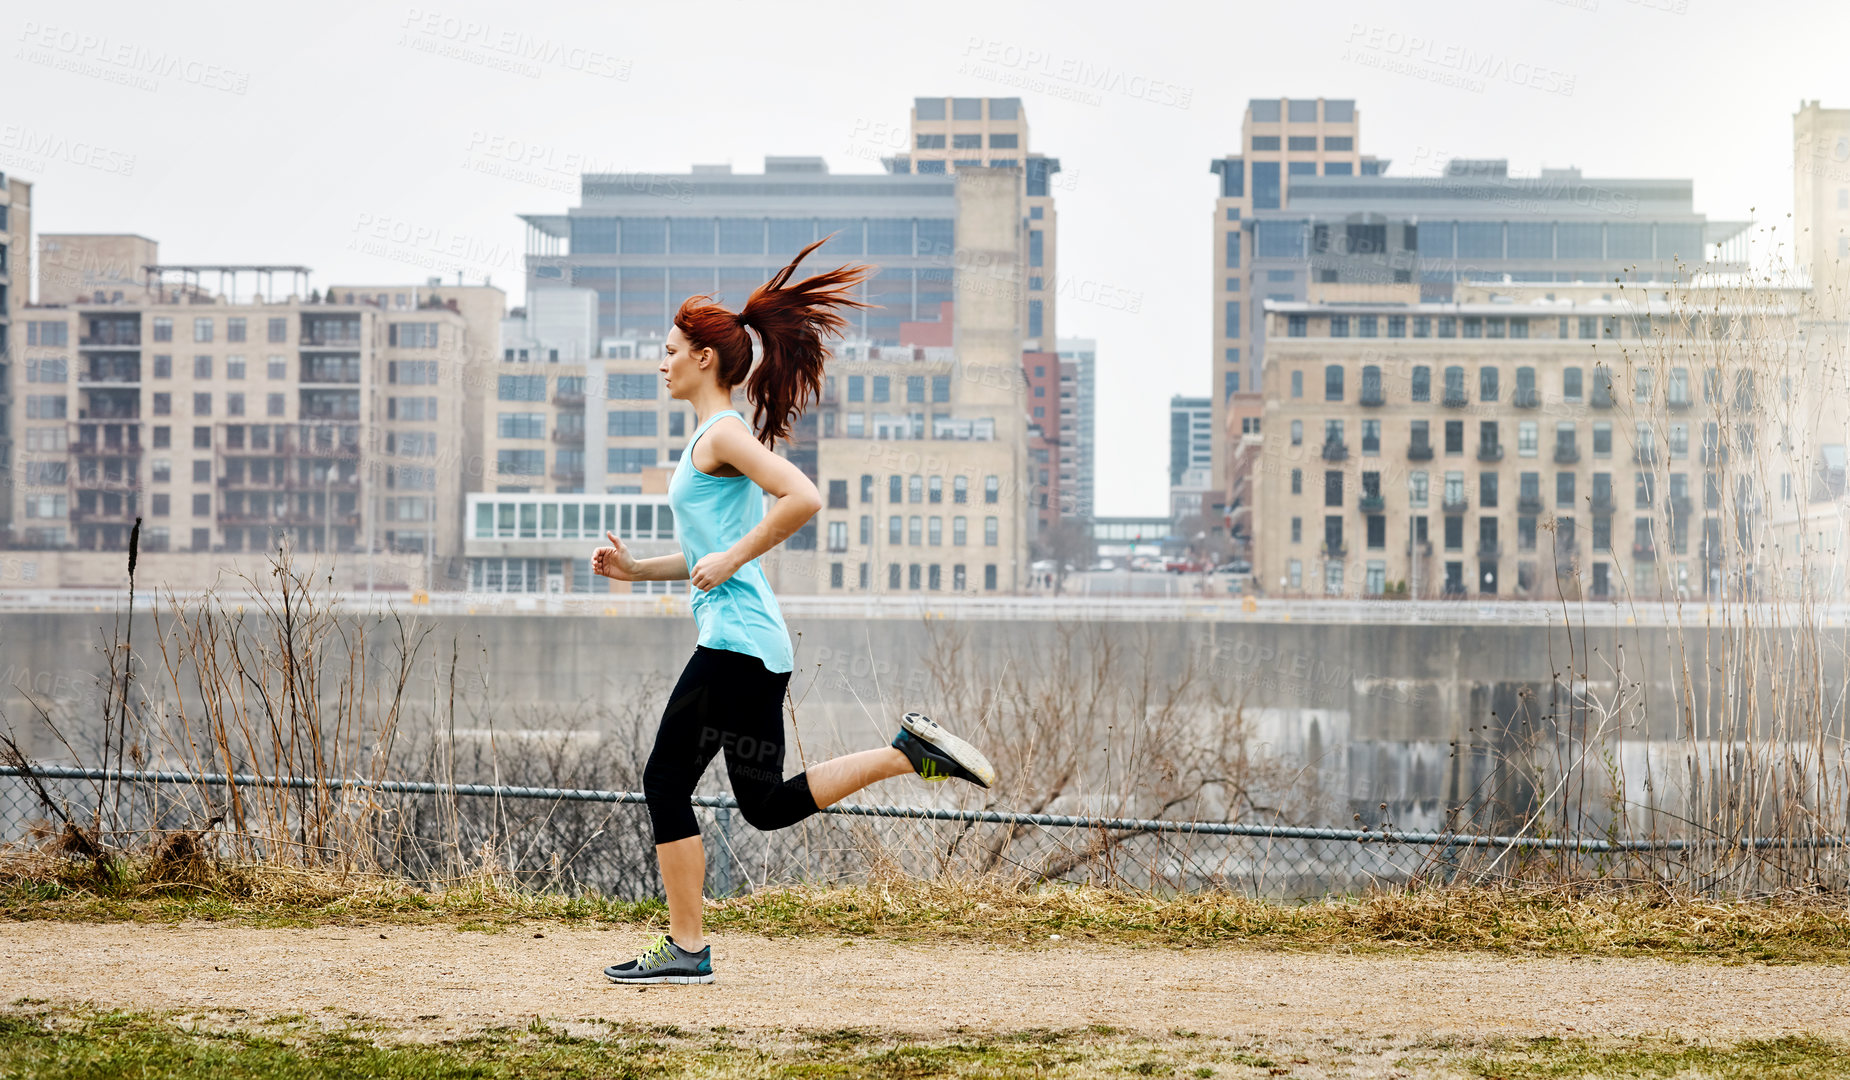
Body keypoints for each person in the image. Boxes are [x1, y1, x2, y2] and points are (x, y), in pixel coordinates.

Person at [593, 239, 997, 986]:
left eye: (670, 349)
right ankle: (909, 752)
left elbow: (804, 497)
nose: (662, 361)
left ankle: (686, 948)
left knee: (663, 781)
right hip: (752, 643)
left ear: (704, 360)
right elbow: (706, 554)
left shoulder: (722, 435)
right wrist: (636, 569)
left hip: (738, 646)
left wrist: (737, 558)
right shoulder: (709, 439)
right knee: (767, 805)